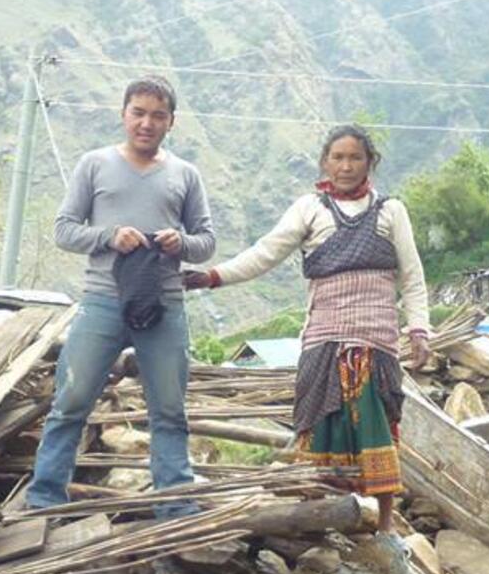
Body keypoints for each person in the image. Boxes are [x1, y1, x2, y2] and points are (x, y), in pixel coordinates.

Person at [184, 125, 429, 533]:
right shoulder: (308, 210)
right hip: (324, 338)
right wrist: (213, 276)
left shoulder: (391, 211)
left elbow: (413, 276)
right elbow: (264, 254)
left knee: (377, 425)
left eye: (355, 158)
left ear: (370, 162)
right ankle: (321, 516)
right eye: (338, 157)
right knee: (321, 426)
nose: (346, 166)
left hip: (375, 341)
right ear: (324, 162)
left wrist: (419, 329)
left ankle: (385, 526)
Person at [23, 76, 215, 515]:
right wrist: (110, 236)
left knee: (168, 409)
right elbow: (63, 230)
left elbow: (206, 240)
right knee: (70, 402)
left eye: (157, 115)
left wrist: (179, 243)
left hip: (165, 303)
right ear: (123, 114)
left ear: (172, 121)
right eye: (138, 112)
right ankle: (44, 499)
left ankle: (175, 506)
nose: (147, 123)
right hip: (103, 301)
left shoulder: (186, 174)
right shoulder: (94, 164)